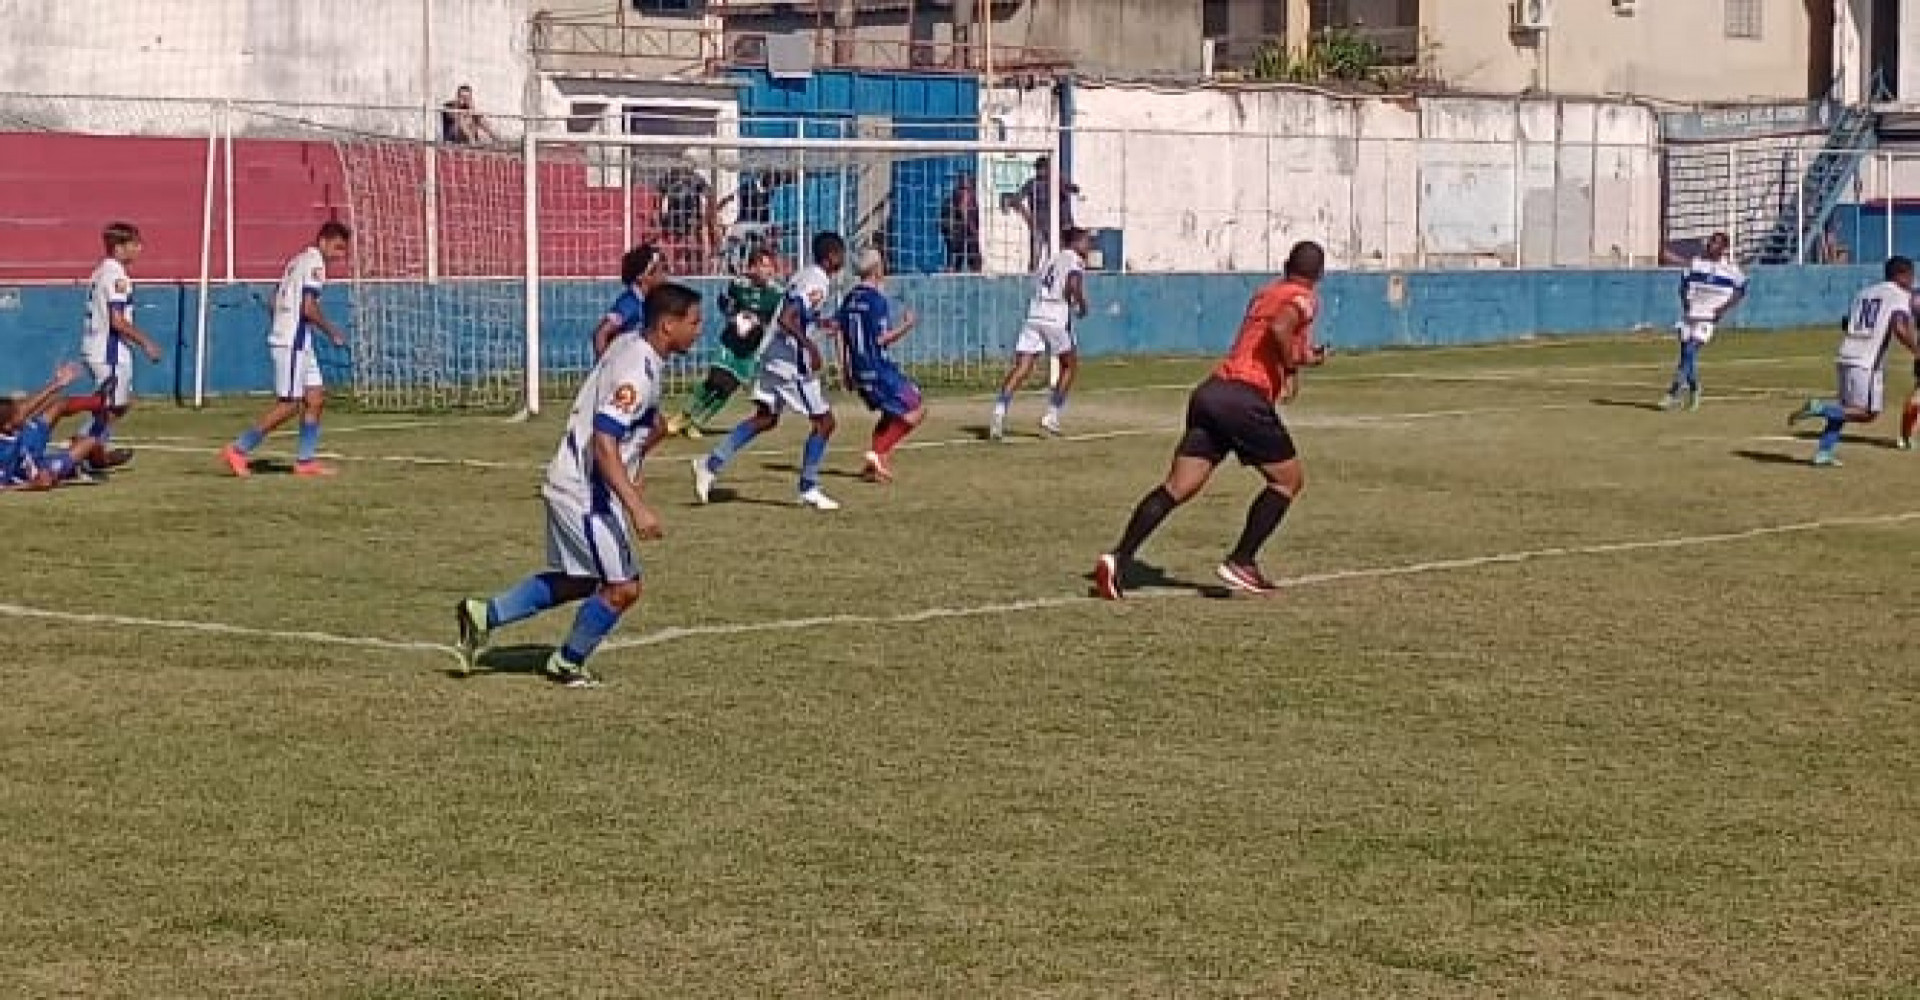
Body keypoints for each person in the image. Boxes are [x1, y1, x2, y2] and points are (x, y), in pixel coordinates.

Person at [454, 282, 706, 688]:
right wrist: (637, 507)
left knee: (581, 578)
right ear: (667, 326)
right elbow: (605, 443)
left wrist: (641, 455)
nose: (699, 330)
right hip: (586, 492)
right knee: (623, 587)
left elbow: (643, 422)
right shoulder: (636, 373)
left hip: (575, 483)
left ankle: (485, 615)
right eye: (694, 322)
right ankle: (567, 663)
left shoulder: (632, 345)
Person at [1092, 240, 1332, 600]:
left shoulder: (1265, 294)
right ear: (1320, 274)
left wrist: (1299, 362)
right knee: (1288, 480)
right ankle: (1242, 561)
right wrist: (1291, 363)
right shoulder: (1304, 298)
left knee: (1178, 486)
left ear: (1285, 265)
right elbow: (1281, 329)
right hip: (1243, 398)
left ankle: (1117, 559)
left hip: (1213, 392)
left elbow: (1272, 337)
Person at [692, 231, 847, 512]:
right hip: (790, 364)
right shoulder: (818, 281)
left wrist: (822, 323)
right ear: (831, 256)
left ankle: (710, 464)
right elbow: (788, 318)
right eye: (841, 254)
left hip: (772, 354)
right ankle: (808, 487)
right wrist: (809, 346)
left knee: (765, 418)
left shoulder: (805, 274)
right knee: (825, 422)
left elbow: (795, 314)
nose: (843, 259)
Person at [221, 222, 354, 478]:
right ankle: (238, 449)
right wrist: (332, 331)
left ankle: (305, 461)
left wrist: (281, 320)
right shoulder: (315, 264)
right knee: (290, 404)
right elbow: (308, 307)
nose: (340, 255)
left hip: (298, 340)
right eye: (337, 248)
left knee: (315, 398)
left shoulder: (298, 260)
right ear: (323, 241)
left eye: (343, 250)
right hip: (293, 342)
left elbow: (274, 299)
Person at [1788, 255, 1919, 466]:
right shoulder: (1899, 295)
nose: (1913, 280)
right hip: (1867, 360)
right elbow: (1898, 326)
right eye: (1911, 275)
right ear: (1902, 275)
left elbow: (1847, 322)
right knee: (1868, 413)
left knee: (1844, 408)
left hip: (1846, 353)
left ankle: (1824, 452)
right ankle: (1820, 408)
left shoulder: (1864, 292)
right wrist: (1916, 350)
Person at [665, 246, 784, 439]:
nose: (768, 270)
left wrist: (759, 325)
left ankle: (697, 421)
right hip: (730, 342)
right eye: (764, 265)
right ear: (753, 267)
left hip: (750, 350)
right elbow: (724, 303)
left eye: (770, 266)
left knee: (727, 389)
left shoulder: (776, 293)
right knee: (716, 380)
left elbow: (778, 321)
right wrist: (735, 318)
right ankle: (683, 415)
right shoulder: (739, 285)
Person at [991, 227, 1091, 440]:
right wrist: (1081, 304)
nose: (1088, 246)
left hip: (1035, 314)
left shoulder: (1051, 260)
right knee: (1069, 366)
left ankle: (999, 412)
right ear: (1075, 242)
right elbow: (1073, 282)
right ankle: (1051, 415)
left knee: (1022, 367)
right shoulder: (1075, 260)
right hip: (1056, 316)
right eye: (1086, 241)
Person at [836, 248, 924, 483]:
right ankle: (877, 453)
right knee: (916, 408)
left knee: (889, 413)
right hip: (878, 369)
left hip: (859, 370)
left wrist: (844, 369)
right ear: (877, 270)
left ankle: (874, 467)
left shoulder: (850, 298)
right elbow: (881, 339)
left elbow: (839, 334)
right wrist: (907, 325)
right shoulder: (876, 300)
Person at [82, 221, 162, 465]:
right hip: (109, 352)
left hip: (96, 346)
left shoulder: (100, 272)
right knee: (113, 406)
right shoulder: (116, 276)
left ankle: (92, 451)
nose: (139, 249)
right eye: (134, 244)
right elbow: (117, 320)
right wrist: (146, 342)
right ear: (118, 247)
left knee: (114, 405)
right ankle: (81, 452)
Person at [1660, 231, 1748, 411]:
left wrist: (1722, 309)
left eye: (1716, 243)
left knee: (1690, 350)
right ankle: (1694, 388)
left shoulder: (1731, 269)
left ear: (1724, 248)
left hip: (1708, 317)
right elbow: (1683, 285)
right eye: (1710, 242)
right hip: (1690, 315)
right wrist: (1686, 303)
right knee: (1687, 356)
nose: (1711, 245)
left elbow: (1741, 291)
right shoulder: (1696, 263)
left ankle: (1673, 393)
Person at [0, 363, 115, 490]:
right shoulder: (3, 453)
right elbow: (2, 486)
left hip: (25, 441)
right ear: (7, 426)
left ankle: (100, 402)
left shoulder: (11, 425)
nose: (23, 412)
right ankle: (98, 462)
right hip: (33, 469)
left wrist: (57, 383)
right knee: (90, 442)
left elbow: (26, 407)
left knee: (59, 404)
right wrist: (33, 484)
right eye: (17, 414)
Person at [590, 243, 667, 361]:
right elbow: (600, 334)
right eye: (660, 272)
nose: (664, 277)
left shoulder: (646, 302)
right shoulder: (629, 303)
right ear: (643, 276)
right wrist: (608, 367)